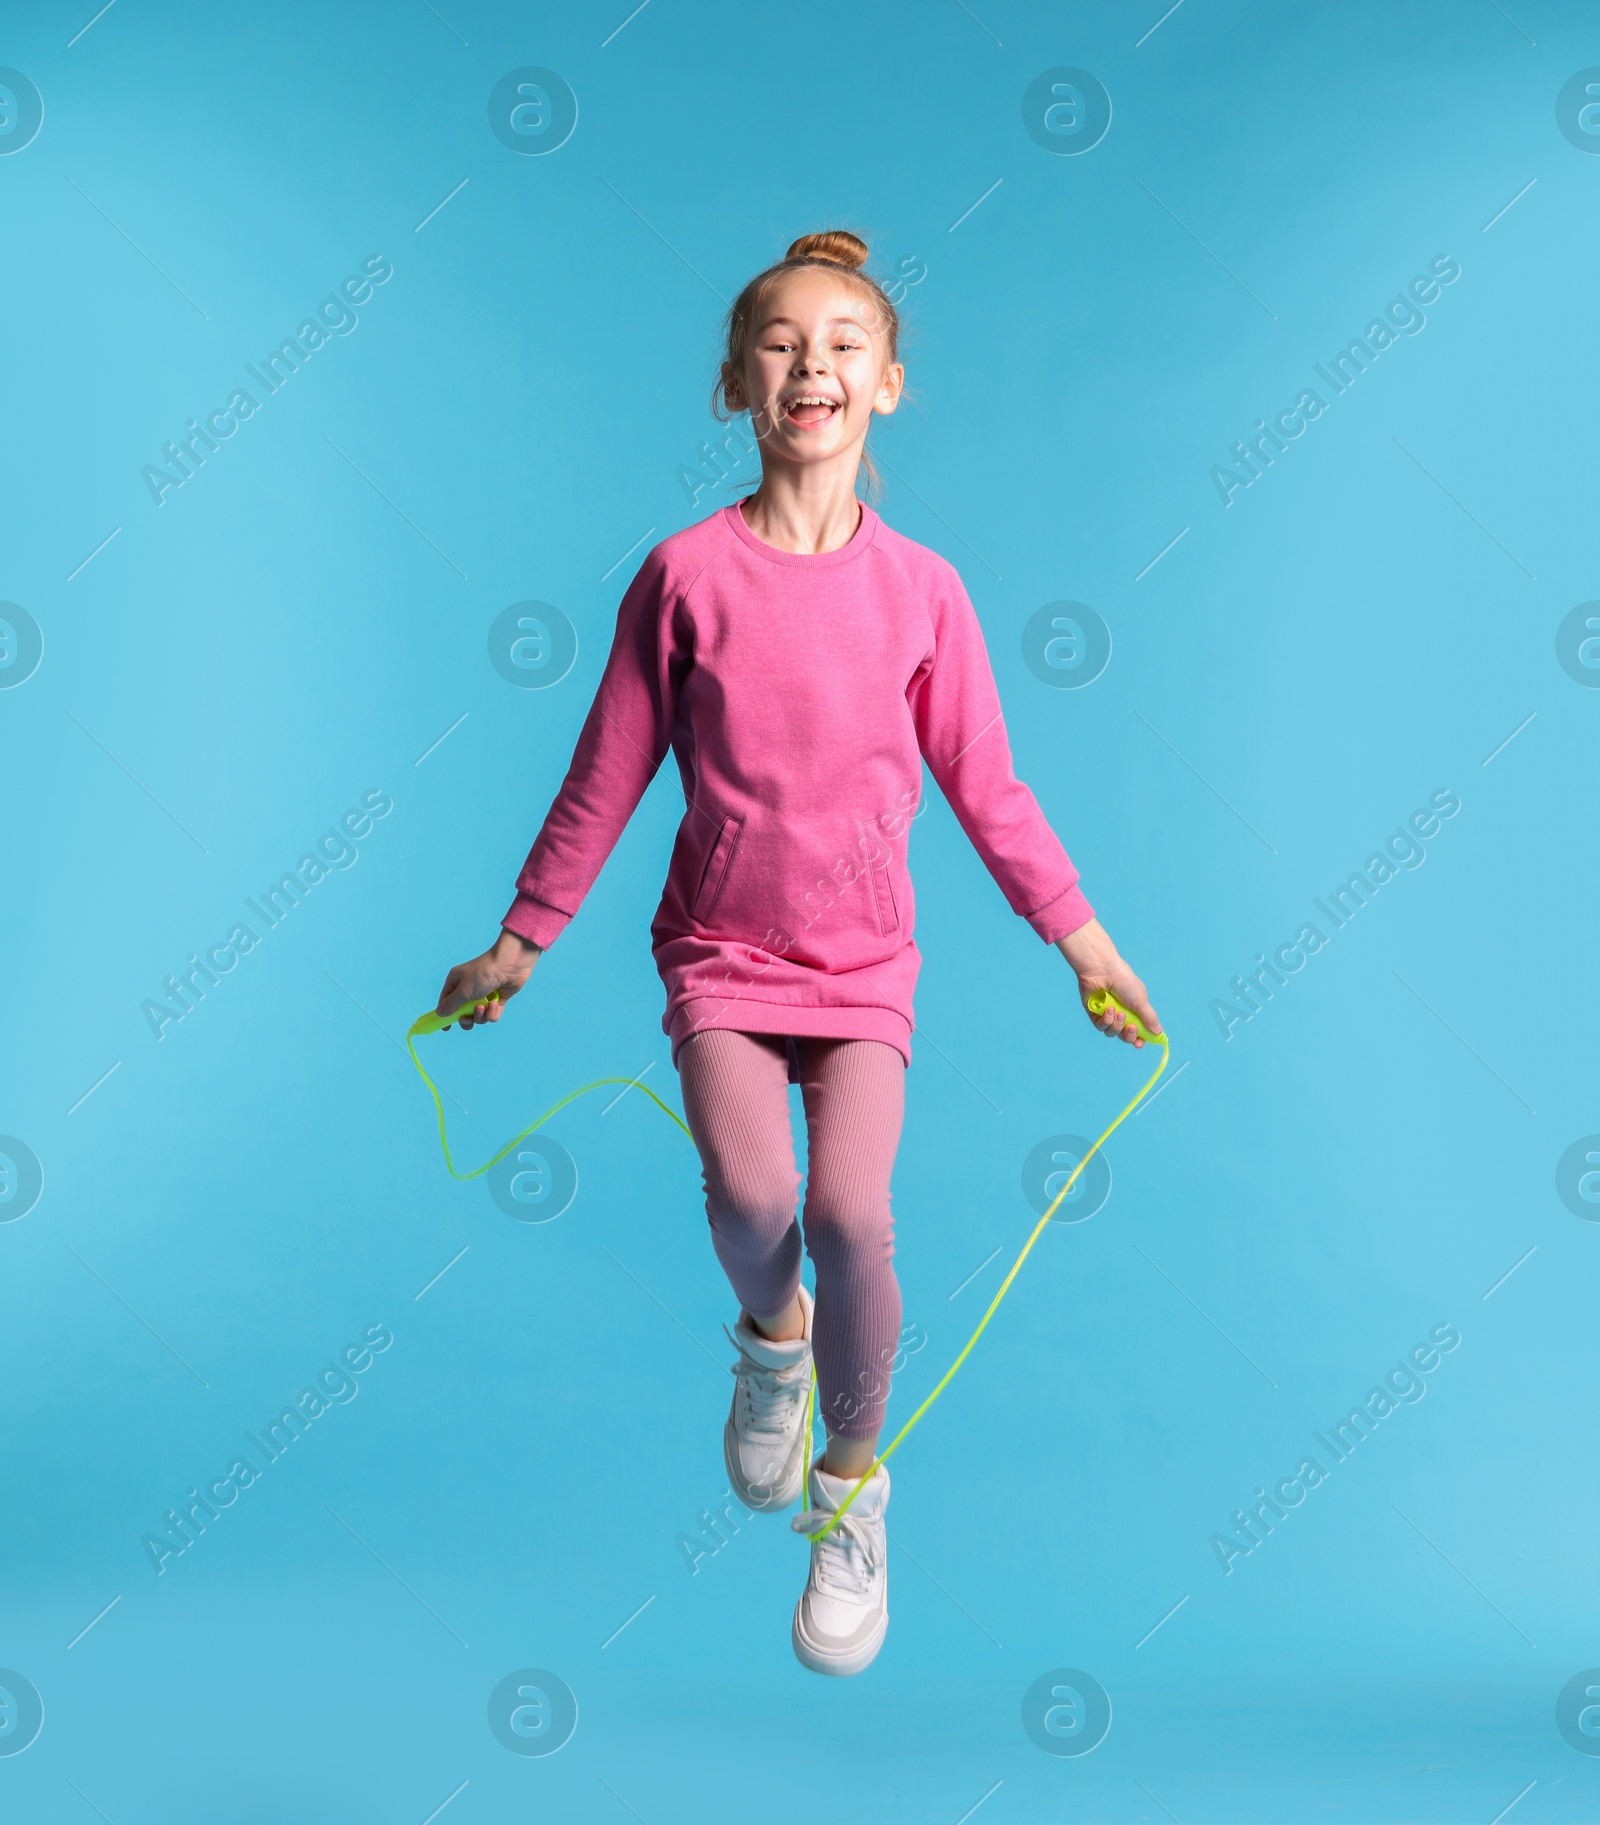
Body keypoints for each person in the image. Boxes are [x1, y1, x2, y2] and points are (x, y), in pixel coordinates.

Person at [432, 229, 1161, 1676]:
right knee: (758, 1199)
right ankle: (773, 1342)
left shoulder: (926, 594)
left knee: (852, 1216)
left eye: (841, 343)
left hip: (864, 974)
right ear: (734, 388)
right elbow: (605, 773)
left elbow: (989, 788)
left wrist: (1086, 943)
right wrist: (520, 940)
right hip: (718, 954)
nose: (809, 364)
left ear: (888, 384)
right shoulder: (682, 576)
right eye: (778, 343)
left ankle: (851, 1482)